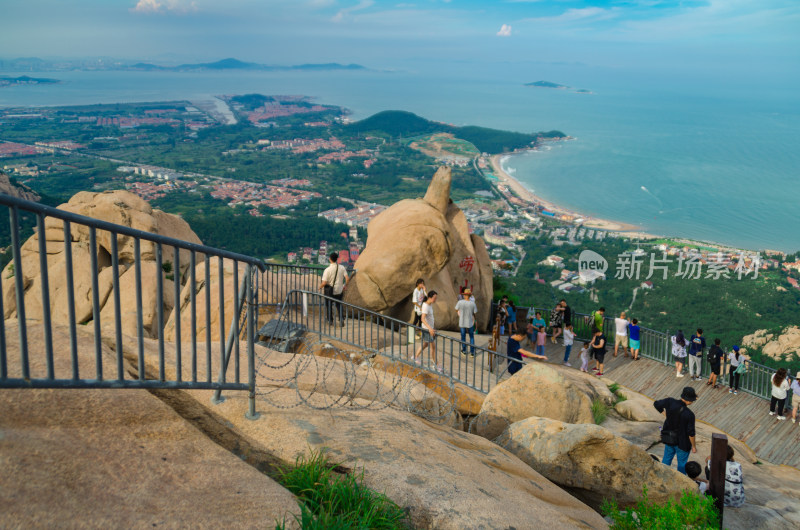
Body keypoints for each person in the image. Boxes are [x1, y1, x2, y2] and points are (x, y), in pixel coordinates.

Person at [654, 386, 698, 475]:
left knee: (666, 459)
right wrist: (693, 446)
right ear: (689, 400)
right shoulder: (689, 414)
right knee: (682, 465)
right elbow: (691, 433)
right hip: (683, 443)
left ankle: (662, 475)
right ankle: (681, 482)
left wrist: (665, 414)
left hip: (669, 438)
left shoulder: (670, 401)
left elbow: (656, 404)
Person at [413, 291, 441, 372]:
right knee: (433, 347)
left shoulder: (429, 304)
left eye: (436, 298)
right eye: (434, 298)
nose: (435, 300)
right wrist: (430, 329)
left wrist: (432, 327)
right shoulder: (425, 306)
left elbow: (426, 294)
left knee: (425, 344)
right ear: (430, 298)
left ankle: (415, 357)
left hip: (429, 329)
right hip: (427, 329)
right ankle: (436, 365)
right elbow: (422, 319)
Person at [319, 252, 348, 326]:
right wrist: (344, 285)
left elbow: (324, 282)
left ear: (330, 259)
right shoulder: (342, 267)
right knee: (339, 304)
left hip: (330, 291)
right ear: (337, 259)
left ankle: (330, 320)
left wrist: (320, 287)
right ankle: (341, 319)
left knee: (329, 305)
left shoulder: (327, 270)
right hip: (339, 290)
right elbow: (347, 278)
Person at [455, 288, 478, 356]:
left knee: (463, 337)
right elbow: (475, 312)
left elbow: (456, 309)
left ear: (464, 295)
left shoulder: (460, 302)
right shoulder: (472, 303)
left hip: (462, 322)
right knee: (471, 337)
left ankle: (464, 351)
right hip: (470, 322)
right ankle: (472, 352)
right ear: (470, 296)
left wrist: (460, 313)